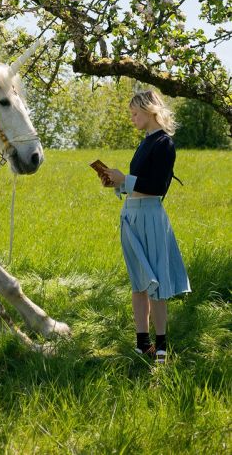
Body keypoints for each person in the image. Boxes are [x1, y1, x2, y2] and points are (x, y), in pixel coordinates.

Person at [102, 90, 191, 364]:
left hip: (151, 216)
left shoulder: (164, 143)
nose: (132, 118)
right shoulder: (144, 143)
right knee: (138, 283)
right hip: (130, 215)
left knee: (156, 284)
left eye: (135, 113)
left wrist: (125, 179)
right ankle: (143, 344)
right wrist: (116, 183)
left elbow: (157, 187)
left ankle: (162, 345)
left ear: (149, 111)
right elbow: (136, 183)